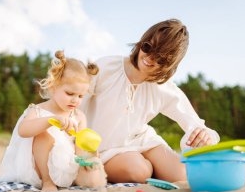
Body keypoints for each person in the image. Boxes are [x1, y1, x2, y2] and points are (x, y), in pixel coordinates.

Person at [80, 19, 220, 183]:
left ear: (170, 65)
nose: (150, 58)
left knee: (181, 175)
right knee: (138, 171)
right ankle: (146, 167)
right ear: (141, 43)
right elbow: (72, 107)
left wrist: (205, 137)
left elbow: (196, 125)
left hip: (142, 142)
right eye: (148, 47)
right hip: (102, 148)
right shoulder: (105, 67)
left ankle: (147, 164)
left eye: (161, 58)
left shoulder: (164, 88)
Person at [1, 50, 107, 192]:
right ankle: (48, 181)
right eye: (70, 94)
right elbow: (23, 130)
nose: (75, 100)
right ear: (53, 87)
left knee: (94, 177)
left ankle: (72, 179)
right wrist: (50, 121)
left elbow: (79, 147)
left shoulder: (79, 116)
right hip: (37, 169)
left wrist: (88, 155)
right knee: (43, 135)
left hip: (66, 165)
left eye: (81, 96)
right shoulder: (37, 110)